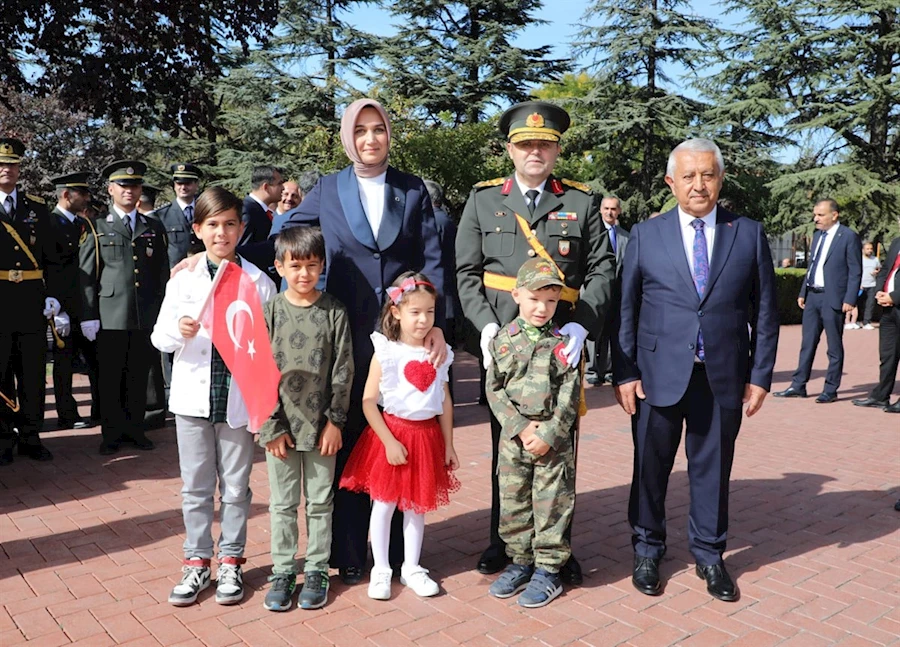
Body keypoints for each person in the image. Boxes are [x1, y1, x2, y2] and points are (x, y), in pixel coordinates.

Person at [173, 98, 446, 585]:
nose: (370, 139)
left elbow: (431, 257)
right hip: (343, 331)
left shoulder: (411, 189)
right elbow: (284, 238)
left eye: (378, 128)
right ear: (348, 136)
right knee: (350, 441)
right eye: (360, 130)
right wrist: (218, 257)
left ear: (389, 133)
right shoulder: (331, 188)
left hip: (403, 337)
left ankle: (404, 555)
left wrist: (437, 321)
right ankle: (349, 551)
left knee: (402, 435)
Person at [455, 100, 616, 583]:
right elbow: (465, 272)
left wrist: (583, 324)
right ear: (510, 149)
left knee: (557, 453)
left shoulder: (581, 201)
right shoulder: (483, 199)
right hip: (503, 345)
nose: (535, 152)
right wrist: (484, 325)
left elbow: (602, 268)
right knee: (506, 447)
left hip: (558, 346)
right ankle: (502, 542)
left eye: (544, 144)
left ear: (557, 150)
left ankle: (556, 551)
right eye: (526, 144)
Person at [613, 138, 778, 602]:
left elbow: (764, 310)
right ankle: (647, 549)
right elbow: (625, 310)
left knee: (712, 470)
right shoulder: (647, 234)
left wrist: (761, 375)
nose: (698, 184)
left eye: (708, 174)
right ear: (671, 182)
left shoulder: (747, 233)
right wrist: (624, 373)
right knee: (650, 467)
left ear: (720, 179)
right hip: (656, 375)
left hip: (722, 375)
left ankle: (709, 554)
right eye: (688, 176)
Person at [151, 187, 277, 607]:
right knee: (196, 487)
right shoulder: (183, 278)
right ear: (197, 229)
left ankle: (231, 561)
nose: (221, 233)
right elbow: (159, 336)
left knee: (238, 487)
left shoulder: (258, 282)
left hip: (237, 399)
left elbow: (269, 345)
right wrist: (178, 329)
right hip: (192, 399)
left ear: (242, 228)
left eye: (229, 224)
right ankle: (196, 561)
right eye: (212, 225)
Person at [340, 272, 458, 600]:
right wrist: (389, 442)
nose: (423, 320)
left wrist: (448, 444)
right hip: (391, 436)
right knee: (384, 505)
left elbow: (444, 400)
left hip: (426, 438)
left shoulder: (439, 352)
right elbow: (367, 401)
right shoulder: (387, 351)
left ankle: (411, 567)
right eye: (415, 312)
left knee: (416, 507)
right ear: (396, 312)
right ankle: (381, 568)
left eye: (430, 313)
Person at [259, 226, 353, 612]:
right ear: (279, 266)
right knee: (282, 504)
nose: (304, 274)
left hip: (321, 425)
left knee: (319, 501)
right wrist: (270, 426)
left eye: (312, 266)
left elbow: (343, 370)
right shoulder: (270, 313)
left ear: (322, 266)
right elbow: (256, 373)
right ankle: (283, 569)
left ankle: (316, 568)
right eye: (295, 266)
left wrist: (336, 421)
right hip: (280, 427)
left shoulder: (334, 311)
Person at [486, 258, 579, 608]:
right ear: (517, 295)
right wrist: (521, 428)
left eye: (551, 301)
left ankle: (549, 570)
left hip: (552, 444)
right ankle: (520, 561)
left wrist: (550, 432)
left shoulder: (563, 343)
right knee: (514, 504)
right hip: (514, 440)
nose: (542, 308)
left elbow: (571, 393)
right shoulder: (502, 340)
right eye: (535, 299)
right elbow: (493, 389)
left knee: (551, 504)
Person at [79, 160, 169, 455]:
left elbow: (160, 274)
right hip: (110, 315)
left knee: (139, 375)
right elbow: (89, 276)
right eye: (123, 186)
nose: (129, 191)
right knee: (110, 377)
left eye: (134, 186)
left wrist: (163, 311)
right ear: (110, 190)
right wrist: (89, 315)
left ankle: (135, 429)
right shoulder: (96, 227)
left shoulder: (153, 226)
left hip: (145, 314)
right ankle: (112, 433)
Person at [0, 137, 63, 464]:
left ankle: (30, 434)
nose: (5, 168)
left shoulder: (36, 207)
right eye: (1, 163)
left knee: (32, 371)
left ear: (20, 168)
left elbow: (52, 257)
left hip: (30, 303)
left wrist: (53, 294)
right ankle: (1, 436)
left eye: (11, 163)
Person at [774, 200, 862, 403]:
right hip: (813, 297)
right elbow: (812, 265)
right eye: (815, 215)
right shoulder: (817, 236)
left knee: (834, 347)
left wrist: (850, 299)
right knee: (807, 344)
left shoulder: (848, 236)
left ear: (835, 215)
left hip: (834, 299)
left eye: (820, 215)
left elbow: (855, 270)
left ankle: (830, 389)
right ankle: (798, 385)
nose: (816, 219)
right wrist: (803, 291)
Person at [47, 172, 99, 429]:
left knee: (95, 361)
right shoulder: (50, 223)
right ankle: (67, 414)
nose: (87, 198)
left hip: (87, 305)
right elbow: (49, 267)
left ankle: (100, 410)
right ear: (66, 195)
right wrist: (56, 308)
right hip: (63, 306)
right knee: (64, 364)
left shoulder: (84, 224)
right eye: (83, 193)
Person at [852, 222, 900, 413]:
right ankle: (881, 396)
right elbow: (886, 270)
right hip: (889, 311)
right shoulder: (897, 243)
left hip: (896, 301)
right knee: (887, 355)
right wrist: (880, 292)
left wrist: (894, 297)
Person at [587, 195, 629, 386]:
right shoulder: (592, 236)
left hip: (617, 294)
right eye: (606, 209)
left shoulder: (626, 237)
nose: (609, 212)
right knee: (595, 332)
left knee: (614, 332)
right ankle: (594, 370)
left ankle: (610, 370)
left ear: (619, 211)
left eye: (613, 209)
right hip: (595, 292)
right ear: (600, 211)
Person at [153, 163, 204, 269]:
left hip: (203, 269)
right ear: (174, 186)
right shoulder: (162, 215)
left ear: (196, 184)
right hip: (176, 272)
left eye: (187, 183)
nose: (183, 187)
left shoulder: (205, 210)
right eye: (179, 183)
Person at [239, 165, 284, 248]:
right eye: (279, 184)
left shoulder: (259, 210)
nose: (283, 188)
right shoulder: (248, 211)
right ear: (266, 187)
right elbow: (243, 249)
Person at [858, 241, 881, 330]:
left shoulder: (875, 259)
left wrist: (877, 272)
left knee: (870, 304)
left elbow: (879, 268)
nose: (870, 250)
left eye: (871, 249)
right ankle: (856, 321)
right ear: (863, 250)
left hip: (872, 284)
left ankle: (867, 322)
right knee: (858, 304)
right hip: (861, 285)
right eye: (867, 249)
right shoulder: (859, 259)